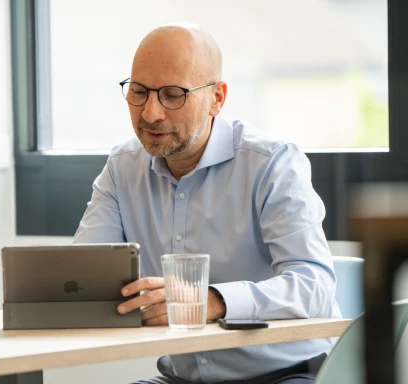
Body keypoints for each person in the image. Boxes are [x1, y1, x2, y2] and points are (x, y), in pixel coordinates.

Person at [73, 23, 340, 384]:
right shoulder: (122, 168)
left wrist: (210, 300)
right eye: (138, 91)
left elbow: (315, 286)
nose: (150, 113)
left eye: (172, 95)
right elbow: (80, 277)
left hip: (288, 374)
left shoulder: (271, 163)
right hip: (180, 378)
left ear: (217, 98)